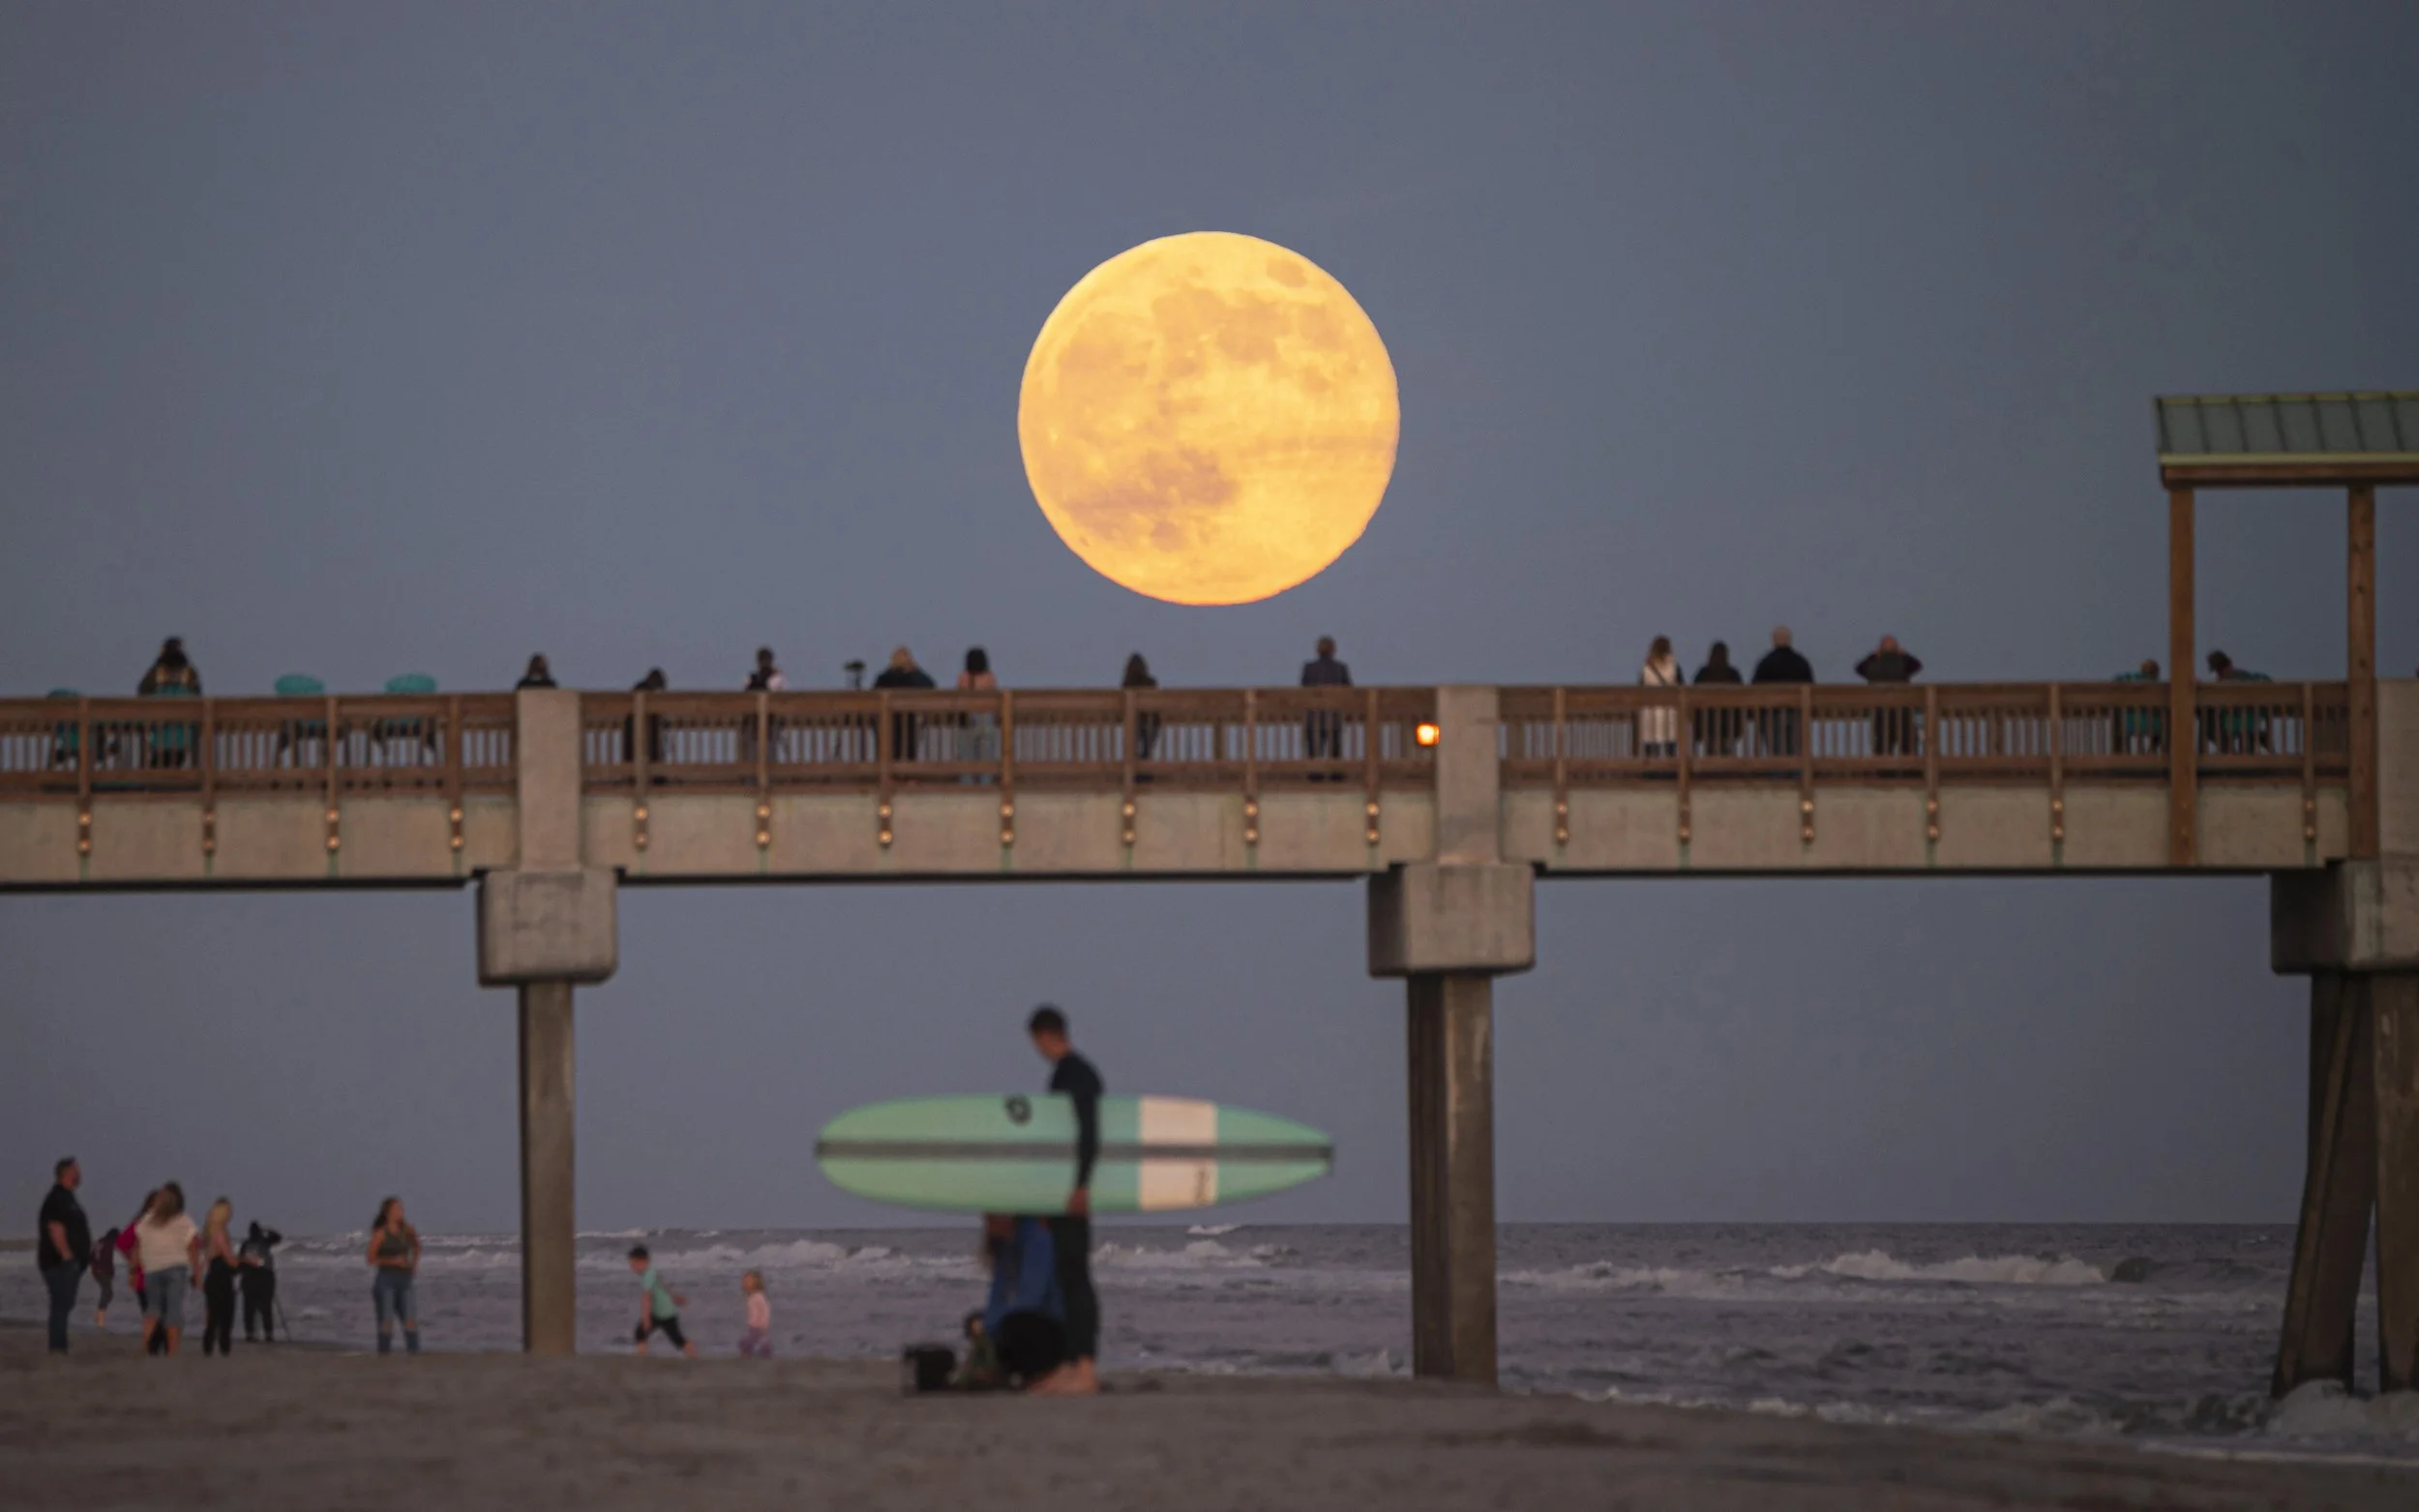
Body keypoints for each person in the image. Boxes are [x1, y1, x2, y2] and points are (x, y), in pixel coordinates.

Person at [1028, 1004, 1101, 1395]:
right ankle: (1071, 1365)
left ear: (1044, 1035)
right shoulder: (1065, 1074)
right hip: (1063, 1192)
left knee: (1077, 1278)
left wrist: (1081, 1186)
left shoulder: (1077, 1074)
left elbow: (1088, 1132)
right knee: (1067, 1276)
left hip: (1074, 1192)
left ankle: (1084, 1369)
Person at [981, 1213, 1067, 1389]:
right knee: (977, 1322)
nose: (987, 1223)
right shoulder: (1005, 1249)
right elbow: (996, 1297)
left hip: (1050, 1326)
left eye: (991, 1218)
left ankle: (1040, 1371)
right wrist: (984, 1328)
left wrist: (995, 1324)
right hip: (1024, 1318)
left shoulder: (1037, 1238)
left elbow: (1031, 1298)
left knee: (1015, 1324)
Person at [134, 1182, 201, 1356]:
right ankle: (172, 1351)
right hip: (175, 1268)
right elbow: (193, 1247)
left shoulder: (147, 1219)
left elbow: (138, 1245)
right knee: (174, 1310)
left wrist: (134, 1269)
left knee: (153, 1309)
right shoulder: (183, 1220)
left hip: (152, 1269)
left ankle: (144, 1344)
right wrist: (197, 1272)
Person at [38, 1156, 90, 1354]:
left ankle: (59, 1346)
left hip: (66, 1262)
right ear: (67, 1172)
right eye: (77, 1170)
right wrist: (67, 1256)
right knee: (61, 1304)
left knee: (63, 1304)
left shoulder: (68, 1197)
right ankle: (58, 1349)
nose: (80, 1174)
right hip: (59, 1263)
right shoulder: (57, 1197)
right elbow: (55, 1227)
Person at [1854, 636, 1925, 757]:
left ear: (1880, 649)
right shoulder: (1904, 662)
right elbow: (1917, 665)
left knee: (1883, 741)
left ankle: (1884, 771)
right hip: (1903, 709)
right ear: (1897, 649)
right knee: (1908, 740)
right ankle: (1911, 770)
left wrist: (1873, 655)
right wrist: (1904, 654)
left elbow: (1859, 668)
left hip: (1880, 710)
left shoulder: (1873, 664)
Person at [137, 637, 202, 768]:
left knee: (160, 765)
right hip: (183, 737)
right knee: (174, 762)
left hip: (160, 736)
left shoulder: (154, 674)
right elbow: (198, 698)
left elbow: (141, 695)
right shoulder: (189, 674)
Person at [368, 1196, 421, 1354]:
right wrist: (392, 1261)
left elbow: (417, 1246)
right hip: (386, 1279)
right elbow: (371, 1258)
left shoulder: (407, 1230)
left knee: (410, 1319)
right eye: (397, 1209)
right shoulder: (381, 1233)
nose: (400, 1212)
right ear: (388, 1212)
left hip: (405, 1279)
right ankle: (384, 1355)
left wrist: (414, 1264)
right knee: (386, 1321)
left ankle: (414, 1354)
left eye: (401, 1209)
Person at [1750, 627, 1814, 756]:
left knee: (1776, 749)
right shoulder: (1801, 662)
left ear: (1773, 641)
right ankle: (1797, 773)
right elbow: (1811, 685)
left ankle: (1778, 772)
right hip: (1797, 712)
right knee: (1796, 748)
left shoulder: (1766, 662)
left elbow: (1755, 688)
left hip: (1772, 714)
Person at [628, 1245, 696, 1356]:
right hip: (661, 1312)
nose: (632, 1266)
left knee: (676, 1338)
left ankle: (693, 1355)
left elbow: (646, 1297)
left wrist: (645, 1318)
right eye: (631, 1264)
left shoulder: (648, 1275)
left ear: (644, 1261)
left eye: (634, 1263)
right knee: (641, 1333)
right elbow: (664, 1288)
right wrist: (676, 1299)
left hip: (664, 1313)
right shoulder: (652, 1272)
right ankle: (641, 1356)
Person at [1300, 636, 1352, 777]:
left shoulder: (1309, 668)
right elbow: (1349, 691)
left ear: (1317, 650)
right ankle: (1336, 774)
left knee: (1314, 749)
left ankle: (1315, 775)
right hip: (1334, 717)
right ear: (1333, 650)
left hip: (1314, 716)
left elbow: (1303, 690)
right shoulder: (1340, 669)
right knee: (1335, 749)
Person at [874, 646, 936, 761]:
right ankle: (908, 775)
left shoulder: (883, 678)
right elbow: (930, 685)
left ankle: (890, 775)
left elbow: (874, 693)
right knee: (911, 735)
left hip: (887, 722)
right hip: (909, 721)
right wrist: (917, 669)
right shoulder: (914, 678)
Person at [199, 1198, 239, 1356]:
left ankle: (208, 1347)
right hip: (221, 1278)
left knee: (212, 1315)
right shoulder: (220, 1233)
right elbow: (230, 1259)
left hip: (213, 1276)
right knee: (225, 1315)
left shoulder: (208, 1231)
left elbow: (206, 1258)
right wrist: (246, 1261)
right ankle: (223, 1348)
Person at [1692, 640, 1745, 756]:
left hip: (1707, 722)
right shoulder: (1732, 674)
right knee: (1728, 748)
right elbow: (1742, 697)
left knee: (1710, 746)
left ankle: (1710, 767)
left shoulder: (1703, 674)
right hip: (1729, 722)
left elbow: (1693, 695)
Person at [956, 647, 999, 778]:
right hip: (986, 716)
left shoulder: (963, 676)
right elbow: (994, 696)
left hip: (969, 716)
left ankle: (966, 783)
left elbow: (959, 696)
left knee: (966, 754)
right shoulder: (989, 677)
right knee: (987, 755)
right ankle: (986, 782)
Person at [1638, 637, 1683, 759]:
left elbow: (1640, 687)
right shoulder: (1673, 666)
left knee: (1651, 744)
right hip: (1669, 709)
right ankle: (1672, 771)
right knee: (1670, 744)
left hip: (1650, 709)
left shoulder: (1647, 666)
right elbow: (1681, 686)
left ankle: (1650, 772)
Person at [238, 1220, 283, 1343]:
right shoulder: (264, 1242)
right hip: (262, 1278)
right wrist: (267, 1230)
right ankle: (266, 1333)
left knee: (251, 1308)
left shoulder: (247, 1244)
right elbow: (278, 1237)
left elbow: (240, 1262)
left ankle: (252, 1333)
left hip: (253, 1278)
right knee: (263, 1307)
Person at [2113, 659, 2163, 754]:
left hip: (2131, 723)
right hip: (2153, 723)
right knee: (2164, 725)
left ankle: (2126, 752)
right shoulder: (2157, 687)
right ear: (2156, 673)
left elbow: (2116, 680)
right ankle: (2151, 750)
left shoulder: (2132, 679)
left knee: (2124, 724)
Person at [1122, 653, 1162, 766]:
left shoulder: (1126, 685)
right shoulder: (1151, 683)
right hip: (1151, 724)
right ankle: (1145, 761)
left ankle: (1135, 764)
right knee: (1147, 745)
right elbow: (1157, 704)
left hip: (1135, 724)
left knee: (1134, 737)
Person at [737, 1269, 773, 1357]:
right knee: (760, 1343)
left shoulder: (756, 1297)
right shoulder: (755, 1297)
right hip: (758, 1326)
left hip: (756, 1326)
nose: (745, 1284)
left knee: (747, 1344)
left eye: (747, 1281)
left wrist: (757, 1323)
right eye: (744, 1282)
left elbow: (764, 1311)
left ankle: (748, 1357)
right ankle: (764, 1354)